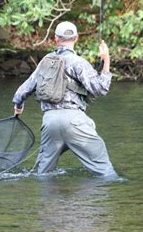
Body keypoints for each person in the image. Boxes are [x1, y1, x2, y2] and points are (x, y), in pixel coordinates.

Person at [12, 21, 116, 176]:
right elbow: (100, 89)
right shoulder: (78, 62)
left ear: (55, 39)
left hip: (49, 123)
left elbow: (22, 91)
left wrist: (18, 105)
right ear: (76, 38)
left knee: (44, 174)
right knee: (105, 173)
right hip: (75, 121)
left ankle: (47, 200)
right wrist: (106, 60)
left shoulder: (45, 62)